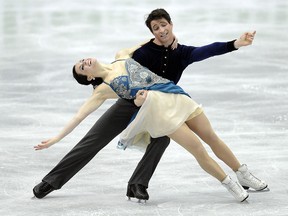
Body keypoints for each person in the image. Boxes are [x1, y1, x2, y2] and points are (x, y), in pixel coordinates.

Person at [33, 8, 264, 201]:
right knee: (94, 140)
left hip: (162, 104)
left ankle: (137, 184)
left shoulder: (172, 53)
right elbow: (80, 115)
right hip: (129, 103)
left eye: (164, 26)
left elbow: (204, 49)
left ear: (170, 25)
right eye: (157, 28)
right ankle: (51, 181)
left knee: (161, 139)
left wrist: (235, 43)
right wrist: (56, 139)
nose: (162, 31)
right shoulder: (130, 63)